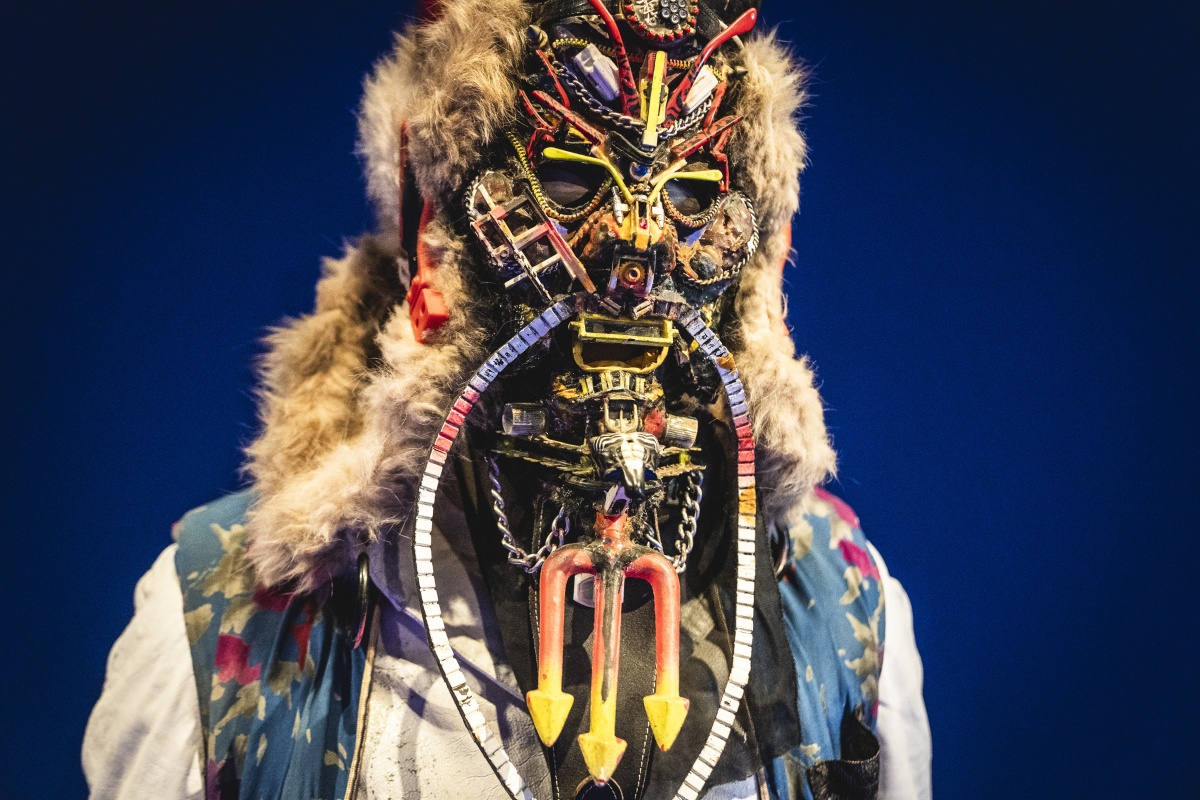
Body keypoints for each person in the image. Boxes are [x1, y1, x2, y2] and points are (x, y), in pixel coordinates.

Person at [83, 1, 931, 797]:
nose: (635, 251)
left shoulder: (842, 607)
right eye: (569, 181)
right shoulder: (219, 616)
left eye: (688, 194)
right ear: (435, 232)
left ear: (759, 250)